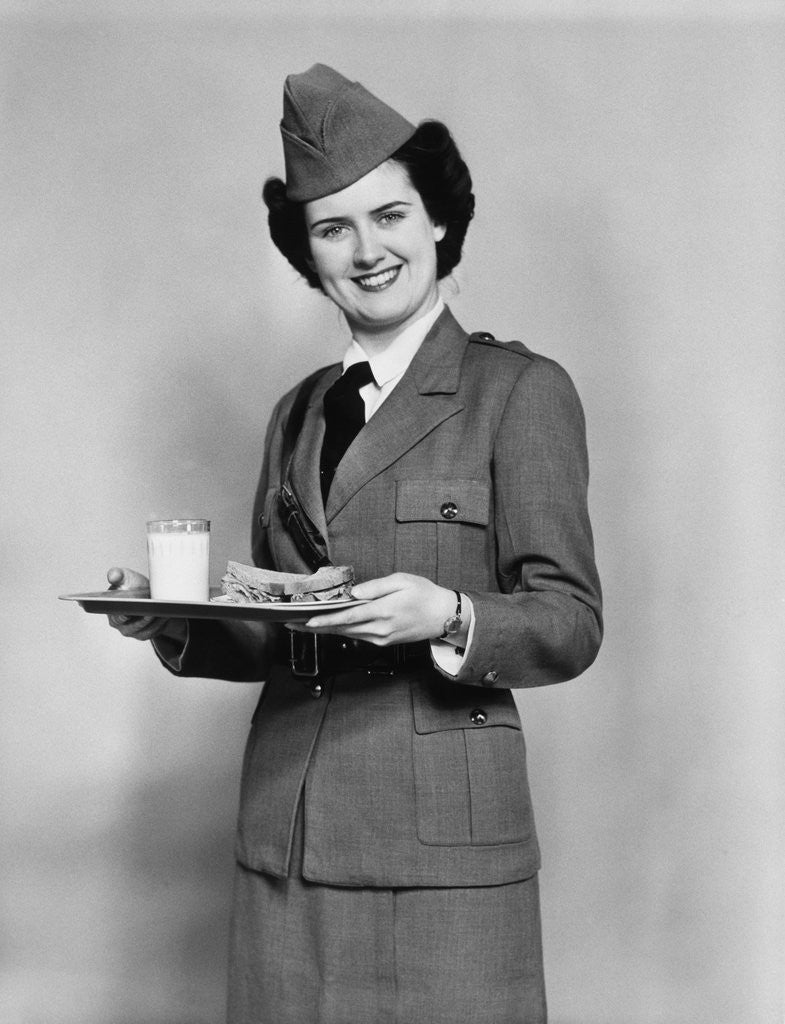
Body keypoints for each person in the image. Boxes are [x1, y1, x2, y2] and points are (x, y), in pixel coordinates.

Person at [107, 64, 602, 1024]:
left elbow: (570, 622)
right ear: (309, 253)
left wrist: (450, 615)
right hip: (288, 832)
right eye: (334, 228)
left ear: (438, 223)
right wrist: (167, 621)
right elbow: (279, 625)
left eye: (390, 216)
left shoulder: (519, 393)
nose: (367, 250)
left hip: (443, 852)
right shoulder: (295, 413)